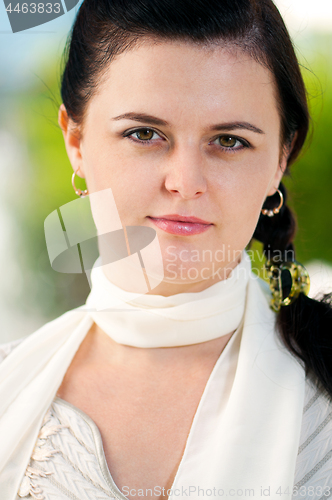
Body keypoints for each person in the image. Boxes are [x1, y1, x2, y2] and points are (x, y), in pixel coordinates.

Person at [1, 0, 332, 499]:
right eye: (144, 134)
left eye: (229, 140)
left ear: (280, 158)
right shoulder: (9, 389)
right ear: (76, 140)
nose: (185, 182)